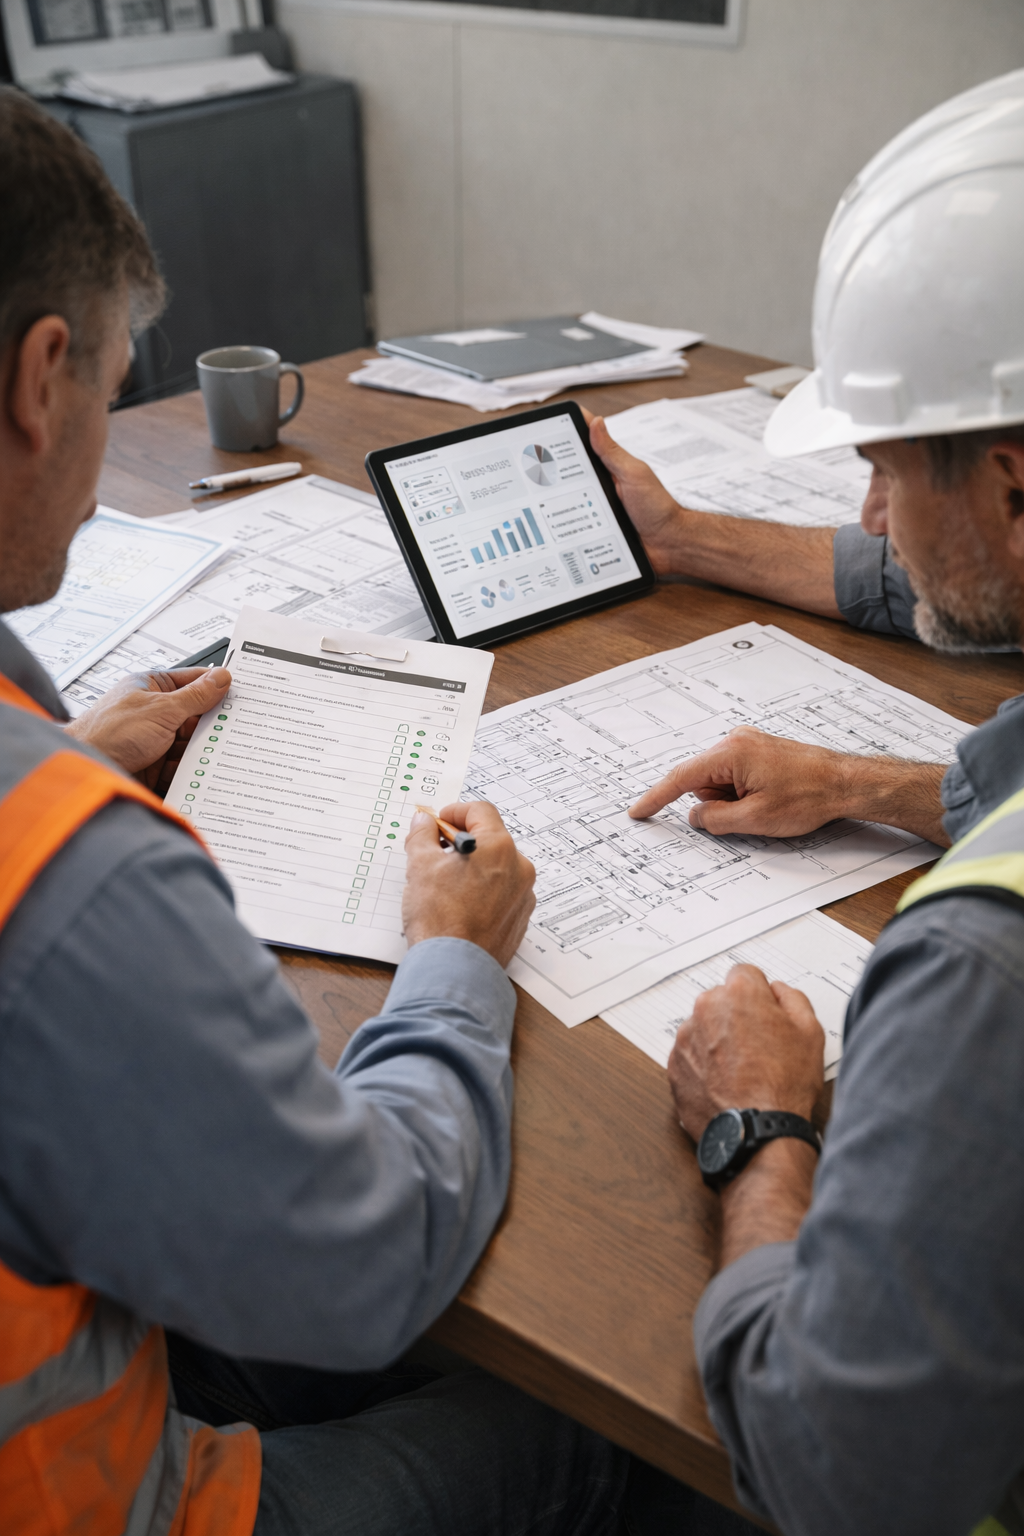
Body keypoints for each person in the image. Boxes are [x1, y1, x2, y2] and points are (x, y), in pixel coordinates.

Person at [0, 88, 635, 1536]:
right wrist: (456, 960)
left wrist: (64, 746)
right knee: (586, 1410)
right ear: (41, 380)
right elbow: (372, 1255)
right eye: (109, 387)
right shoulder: (69, 881)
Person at [623, 69, 1024, 1536]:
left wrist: (757, 1136)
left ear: (1013, 484)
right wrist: (872, 783)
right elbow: (924, 576)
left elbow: (836, 1478)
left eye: (877, 469)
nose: (866, 515)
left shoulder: (980, 966)